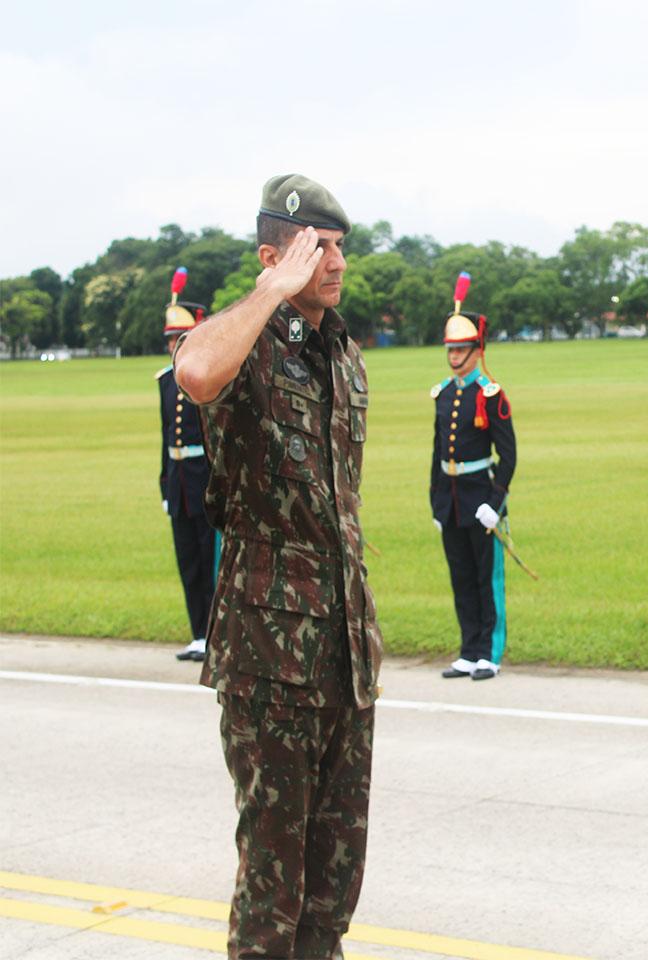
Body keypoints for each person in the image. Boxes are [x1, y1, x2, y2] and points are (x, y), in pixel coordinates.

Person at [173, 174, 383, 959]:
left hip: (345, 653)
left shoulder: (344, 355)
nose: (334, 261)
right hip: (270, 657)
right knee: (274, 889)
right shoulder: (248, 343)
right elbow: (194, 373)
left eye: (338, 247)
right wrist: (269, 293)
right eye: (315, 247)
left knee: (333, 890)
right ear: (274, 256)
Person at [429, 277, 516, 682]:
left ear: (477, 351)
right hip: (452, 500)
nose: (454, 355)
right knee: (460, 575)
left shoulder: (491, 395)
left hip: (481, 496)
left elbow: (509, 455)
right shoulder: (444, 394)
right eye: (450, 349)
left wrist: (495, 503)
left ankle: (489, 652)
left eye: (461, 349)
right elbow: (436, 453)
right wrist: (436, 503)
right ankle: (468, 650)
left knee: (486, 578)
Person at [157, 268, 216, 662]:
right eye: (170, 340)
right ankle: (197, 632)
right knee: (188, 561)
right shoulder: (164, 381)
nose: (174, 346)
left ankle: (215, 634)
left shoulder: (209, 377)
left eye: (180, 338)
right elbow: (166, 438)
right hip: (178, 482)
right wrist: (165, 486)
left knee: (211, 561)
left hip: (204, 481)